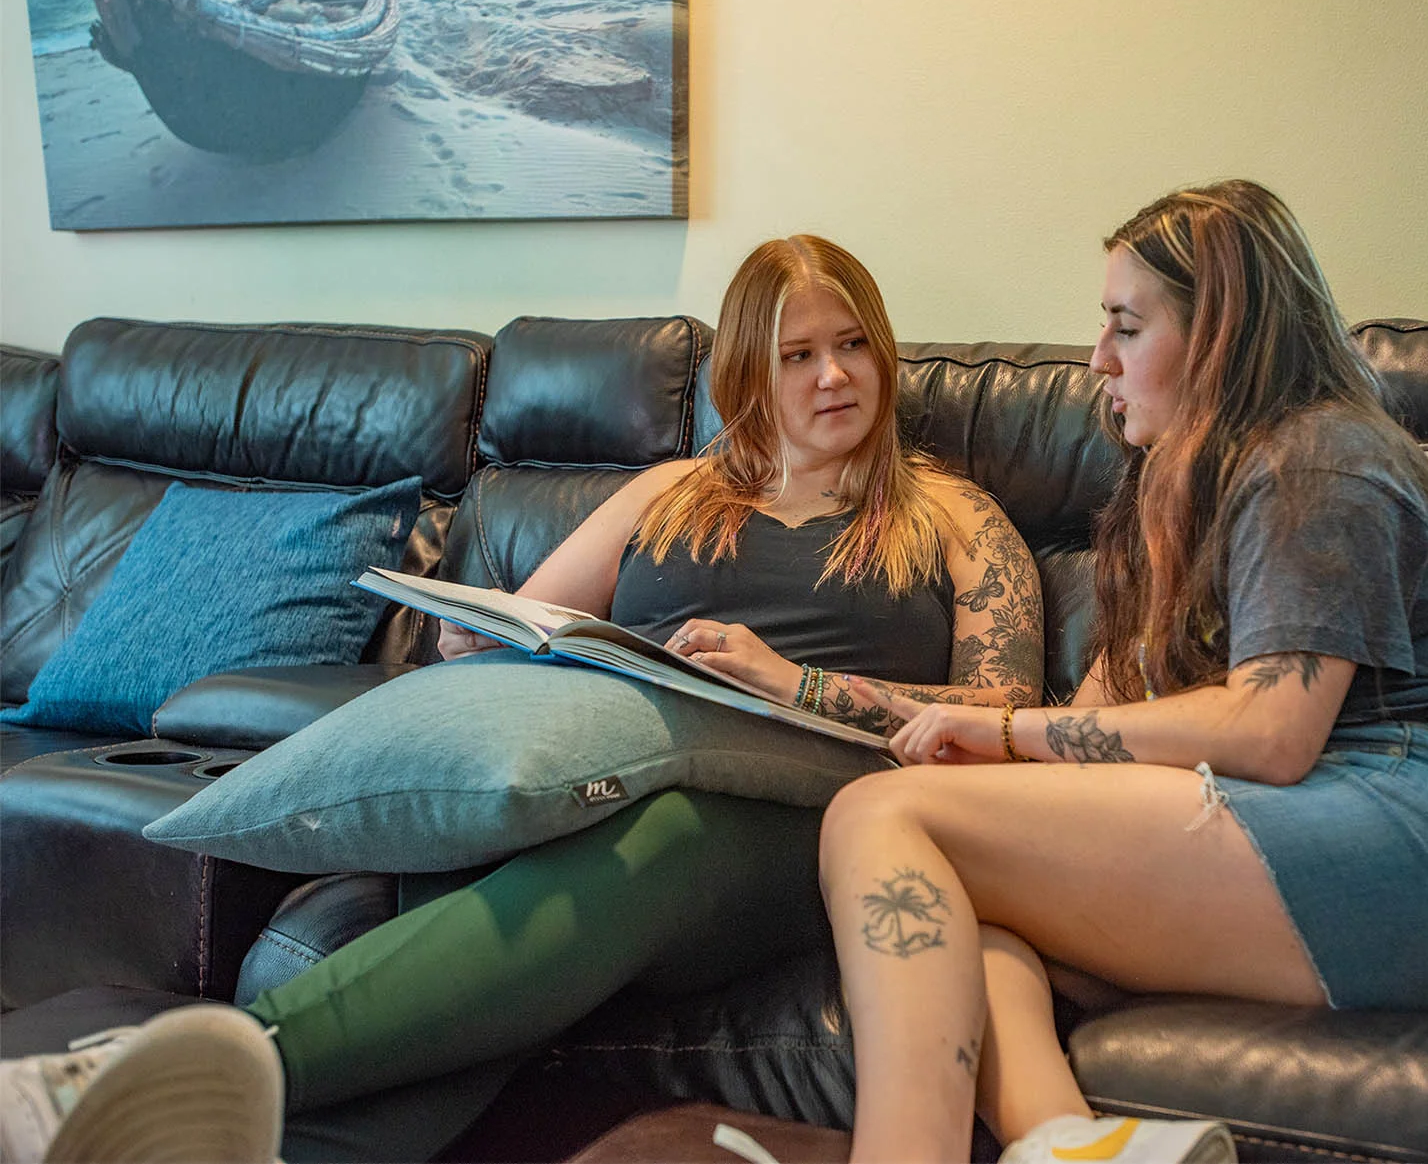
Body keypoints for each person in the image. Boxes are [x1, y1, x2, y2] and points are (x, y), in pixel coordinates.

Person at [0, 235, 1044, 1164]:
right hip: (618, 772)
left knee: (666, 837)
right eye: (796, 354)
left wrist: (792, 680)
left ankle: (170, 1074)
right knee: (579, 840)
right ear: (746, 374)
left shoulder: (951, 515)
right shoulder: (665, 493)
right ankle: (212, 1129)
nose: (832, 376)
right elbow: (518, 623)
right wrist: (476, 636)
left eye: (852, 344)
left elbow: (1003, 717)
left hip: (815, 821)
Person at [815, 181, 1428, 1164]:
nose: (1098, 359)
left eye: (1127, 327)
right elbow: (1096, 723)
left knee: (882, 815)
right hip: (1332, 833)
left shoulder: (1321, 458)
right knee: (963, 891)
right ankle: (1071, 1149)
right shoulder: (1161, 491)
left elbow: (1272, 733)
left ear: (1218, 335)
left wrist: (1006, 733)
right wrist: (982, 758)